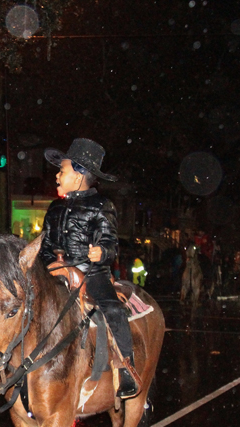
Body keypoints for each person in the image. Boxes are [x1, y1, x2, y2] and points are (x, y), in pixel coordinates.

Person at [38, 138, 139, 399]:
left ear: (80, 173)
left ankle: (126, 367)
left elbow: (110, 242)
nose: (58, 176)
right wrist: (46, 259)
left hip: (92, 275)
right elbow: (46, 243)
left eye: (63, 170)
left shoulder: (101, 206)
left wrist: (101, 252)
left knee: (114, 310)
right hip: (56, 273)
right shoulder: (55, 207)